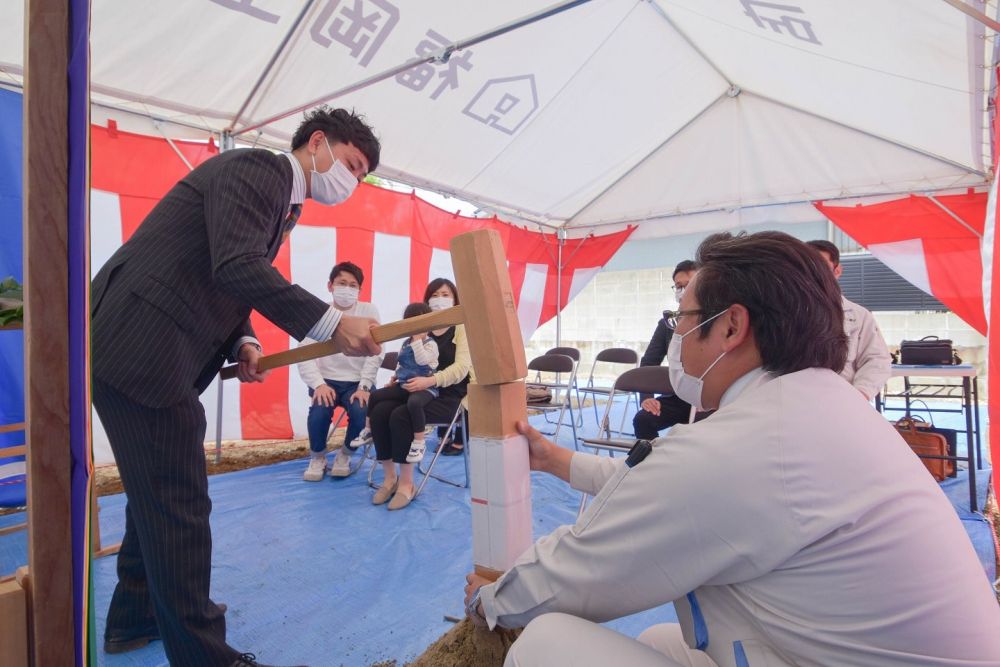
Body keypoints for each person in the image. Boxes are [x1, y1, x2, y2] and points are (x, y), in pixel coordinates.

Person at [463, 231, 1000, 667]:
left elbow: (575, 574)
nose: (677, 338)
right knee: (658, 640)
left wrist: (490, 598)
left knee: (545, 645)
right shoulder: (819, 404)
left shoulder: (753, 444)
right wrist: (558, 460)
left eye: (685, 321)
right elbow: (667, 488)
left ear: (732, 327)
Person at [90, 107, 382, 667]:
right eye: (351, 164)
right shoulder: (261, 171)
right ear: (318, 143)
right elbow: (236, 265)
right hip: (143, 345)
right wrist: (329, 323)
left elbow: (223, 275)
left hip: (143, 346)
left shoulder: (281, 202)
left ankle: (136, 617)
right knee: (179, 502)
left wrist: (242, 341)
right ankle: (205, 656)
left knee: (156, 494)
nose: (352, 181)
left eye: (362, 176)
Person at [367, 278, 472, 511]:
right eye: (435, 295)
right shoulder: (419, 327)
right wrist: (398, 377)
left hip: (448, 395)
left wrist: (430, 380)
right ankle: (389, 478)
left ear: (455, 300)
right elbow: (406, 357)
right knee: (380, 410)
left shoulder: (462, 329)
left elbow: (462, 368)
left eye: (446, 295)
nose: (440, 299)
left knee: (400, 415)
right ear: (426, 301)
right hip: (416, 388)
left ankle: (407, 484)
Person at [297, 261, 381, 481]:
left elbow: (377, 352)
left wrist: (364, 387)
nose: (347, 288)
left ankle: (345, 454)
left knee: (360, 411)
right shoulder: (319, 313)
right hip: (326, 381)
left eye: (353, 285)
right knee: (319, 411)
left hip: (357, 381)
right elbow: (303, 353)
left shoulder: (368, 311)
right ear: (330, 285)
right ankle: (317, 457)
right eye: (342, 283)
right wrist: (318, 384)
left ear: (360, 290)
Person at [806, 240, 892, 400]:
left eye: (821, 266)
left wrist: (859, 395)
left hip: (844, 401)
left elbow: (877, 359)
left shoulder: (859, 315)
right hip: (798, 402)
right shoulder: (784, 314)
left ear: (837, 271)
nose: (813, 273)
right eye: (806, 266)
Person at [361, 302, 440, 468]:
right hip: (405, 384)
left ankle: (419, 441)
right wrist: (395, 377)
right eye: (412, 323)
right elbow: (401, 362)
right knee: (376, 395)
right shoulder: (405, 343)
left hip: (425, 387)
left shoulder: (431, 344)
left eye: (422, 322)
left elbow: (422, 360)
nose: (417, 327)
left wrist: (417, 340)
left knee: (414, 403)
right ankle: (368, 430)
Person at [632, 260, 702, 439]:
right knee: (643, 420)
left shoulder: (720, 321)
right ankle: (652, 465)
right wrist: (647, 397)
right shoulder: (668, 324)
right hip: (679, 397)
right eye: (679, 286)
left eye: (689, 285)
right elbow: (648, 363)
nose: (683, 291)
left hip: (711, 400)